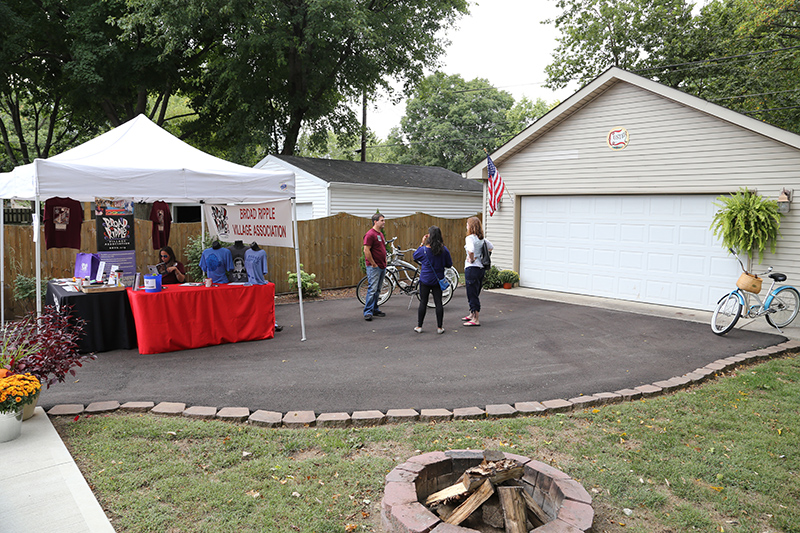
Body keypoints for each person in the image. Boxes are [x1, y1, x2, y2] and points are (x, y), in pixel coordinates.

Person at [413, 226, 452, 334]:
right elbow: (449, 264)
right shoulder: (444, 250)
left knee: (423, 302)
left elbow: (415, 256)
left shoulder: (424, 250)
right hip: (438, 280)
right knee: (438, 303)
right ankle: (440, 327)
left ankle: (419, 326)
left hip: (425, 279)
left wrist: (421, 243)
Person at [463, 216, 493, 326]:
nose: (466, 226)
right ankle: (472, 314)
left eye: (467, 224)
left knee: (472, 293)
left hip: (472, 269)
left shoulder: (470, 238)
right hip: (480, 269)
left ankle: (475, 319)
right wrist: (481, 256)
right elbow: (491, 247)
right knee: (475, 292)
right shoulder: (481, 239)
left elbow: (470, 250)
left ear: (471, 226)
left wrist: (471, 258)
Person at [363, 213, 387, 321]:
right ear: (375, 221)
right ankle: (368, 312)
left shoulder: (380, 234)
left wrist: (384, 260)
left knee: (378, 289)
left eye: (383, 220)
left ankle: (375, 308)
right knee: (372, 289)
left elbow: (382, 248)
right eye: (382, 220)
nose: (384, 222)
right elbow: (366, 250)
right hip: (374, 267)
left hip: (382, 265)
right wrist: (373, 263)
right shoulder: (370, 234)